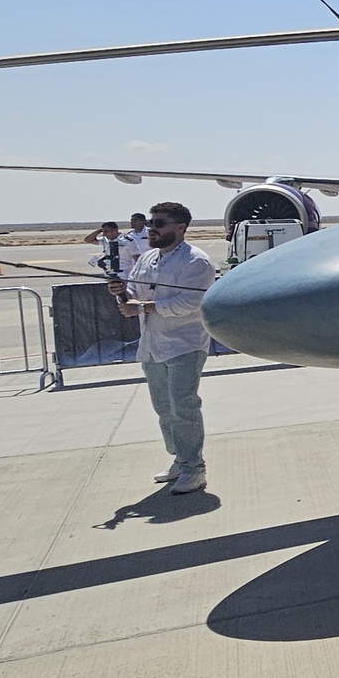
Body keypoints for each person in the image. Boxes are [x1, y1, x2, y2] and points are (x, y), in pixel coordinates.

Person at [109, 201, 217, 495]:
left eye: (159, 223)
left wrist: (143, 307)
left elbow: (191, 302)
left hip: (185, 345)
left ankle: (194, 468)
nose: (151, 229)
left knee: (183, 406)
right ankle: (180, 459)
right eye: (151, 223)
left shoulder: (196, 262)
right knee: (164, 409)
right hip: (152, 346)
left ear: (180, 228)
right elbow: (136, 290)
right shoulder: (147, 258)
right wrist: (123, 292)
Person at [120, 213, 150, 277]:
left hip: (149, 263)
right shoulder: (130, 235)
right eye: (131, 220)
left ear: (142, 222)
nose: (132, 222)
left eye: (135, 220)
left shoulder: (150, 233)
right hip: (134, 265)